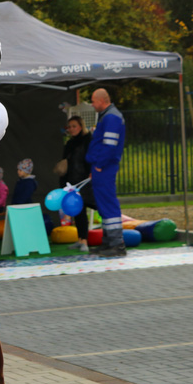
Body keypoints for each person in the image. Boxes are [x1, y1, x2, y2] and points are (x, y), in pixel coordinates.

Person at [86, 88, 126, 257]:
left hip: (104, 167)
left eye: (93, 101)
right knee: (103, 205)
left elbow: (109, 145)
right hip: (101, 167)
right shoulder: (108, 116)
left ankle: (117, 245)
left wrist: (99, 165)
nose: (92, 105)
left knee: (108, 204)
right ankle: (109, 242)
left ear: (102, 101)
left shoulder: (111, 117)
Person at [60, 115, 96, 252]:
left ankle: (86, 241)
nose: (71, 129)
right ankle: (81, 239)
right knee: (78, 210)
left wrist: (92, 172)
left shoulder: (88, 140)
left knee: (89, 207)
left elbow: (91, 158)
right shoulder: (70, 143)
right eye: (69, 127)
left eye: (74, 126)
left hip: (86, 180)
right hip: (73, 181)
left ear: (81, 126)